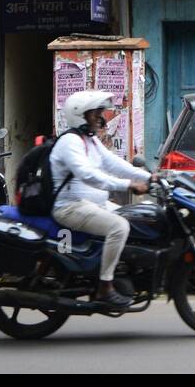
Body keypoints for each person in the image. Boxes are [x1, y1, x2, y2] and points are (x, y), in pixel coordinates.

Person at [51, 90, 152, 308]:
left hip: (93, 205)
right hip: (70, 207)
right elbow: (88, 175)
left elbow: (115, 164)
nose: (101, 117)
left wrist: (152, 176)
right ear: (80, 115)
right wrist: (128, 185)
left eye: (100, 112)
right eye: (95, 113)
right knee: (120, 227)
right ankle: (104, 287)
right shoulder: (70, 142)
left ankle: (121, 271)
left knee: (137, 219)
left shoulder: (89, 140)